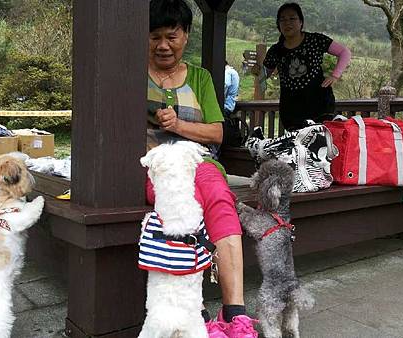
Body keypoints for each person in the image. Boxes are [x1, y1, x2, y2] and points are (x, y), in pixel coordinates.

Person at [146, 0, 258, 337]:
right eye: (154, 37)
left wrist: (178, 125)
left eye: (171, 35)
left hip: (200, 161)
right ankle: (193, 309)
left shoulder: (200, 77)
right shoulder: (131, 75)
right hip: (159, 166)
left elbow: (217, 132)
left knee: (219, 200)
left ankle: (235, 313)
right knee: (179, 205)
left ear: (187, 35)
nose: (163, 45)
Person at [259, 2, 351, 130]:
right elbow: (264, 74)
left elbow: (344, 52)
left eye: (292, 18)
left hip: (319, 105)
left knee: (320, 144)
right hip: (291, 109)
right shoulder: (276, 50)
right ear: (278, 25)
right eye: (283, 20)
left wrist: (335, 75)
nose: (287, 23)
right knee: (297, 147)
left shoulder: (315, 40)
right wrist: (258, 72)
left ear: (301, 22)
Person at [222, 61, 243, 147]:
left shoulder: (227, 72)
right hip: (231, 105)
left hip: (225, 105)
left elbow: (225, 84)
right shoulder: (234, 72)